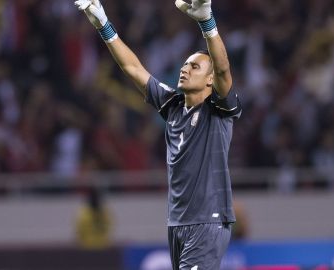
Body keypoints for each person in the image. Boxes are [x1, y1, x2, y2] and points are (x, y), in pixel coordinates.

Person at [74, 0, 242, 268]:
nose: (185, 69)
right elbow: (133, 69)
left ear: (210, 81)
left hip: (207, 221)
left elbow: (223, 69)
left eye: (194, 67)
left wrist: (207, 23)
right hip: (177, 222)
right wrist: (104, 25)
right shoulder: (172, 105)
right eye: (185, 64)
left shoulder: (219, 110)